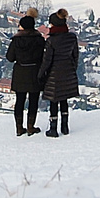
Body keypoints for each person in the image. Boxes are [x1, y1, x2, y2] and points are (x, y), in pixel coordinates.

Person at [38, 8, 79, 137]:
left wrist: (41, 74)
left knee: (54, 100)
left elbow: (47, 60)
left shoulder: (51, 40)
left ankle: (53, 128)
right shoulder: (72, 37)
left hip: (54, 74)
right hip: (68, 72)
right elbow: (75, 56)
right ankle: (65, 126)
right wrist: (72, 69)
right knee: (64, 99)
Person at [6, 8, 46, 136]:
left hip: (20, 72)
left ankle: (19, 127)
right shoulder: (39, 39)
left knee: (20, 100)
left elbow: (10, 58)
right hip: (35, 72)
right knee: (33, 101)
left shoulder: (16, 40)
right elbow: (43, 57)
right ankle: (30, 127)